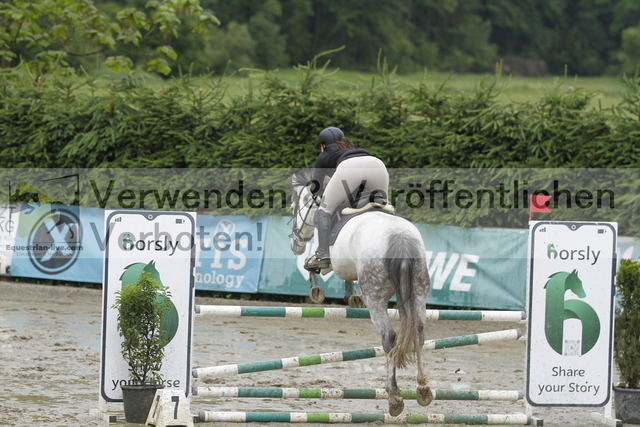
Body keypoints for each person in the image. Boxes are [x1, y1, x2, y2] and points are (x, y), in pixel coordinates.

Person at [304, 126, 389, 271]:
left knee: (324, 209)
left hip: (350, 167)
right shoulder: (354, 149)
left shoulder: (324, 156)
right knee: (384, 204)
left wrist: (320, 193)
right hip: (377, 164)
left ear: (323, 145)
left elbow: (315, 188)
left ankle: (322, 255)